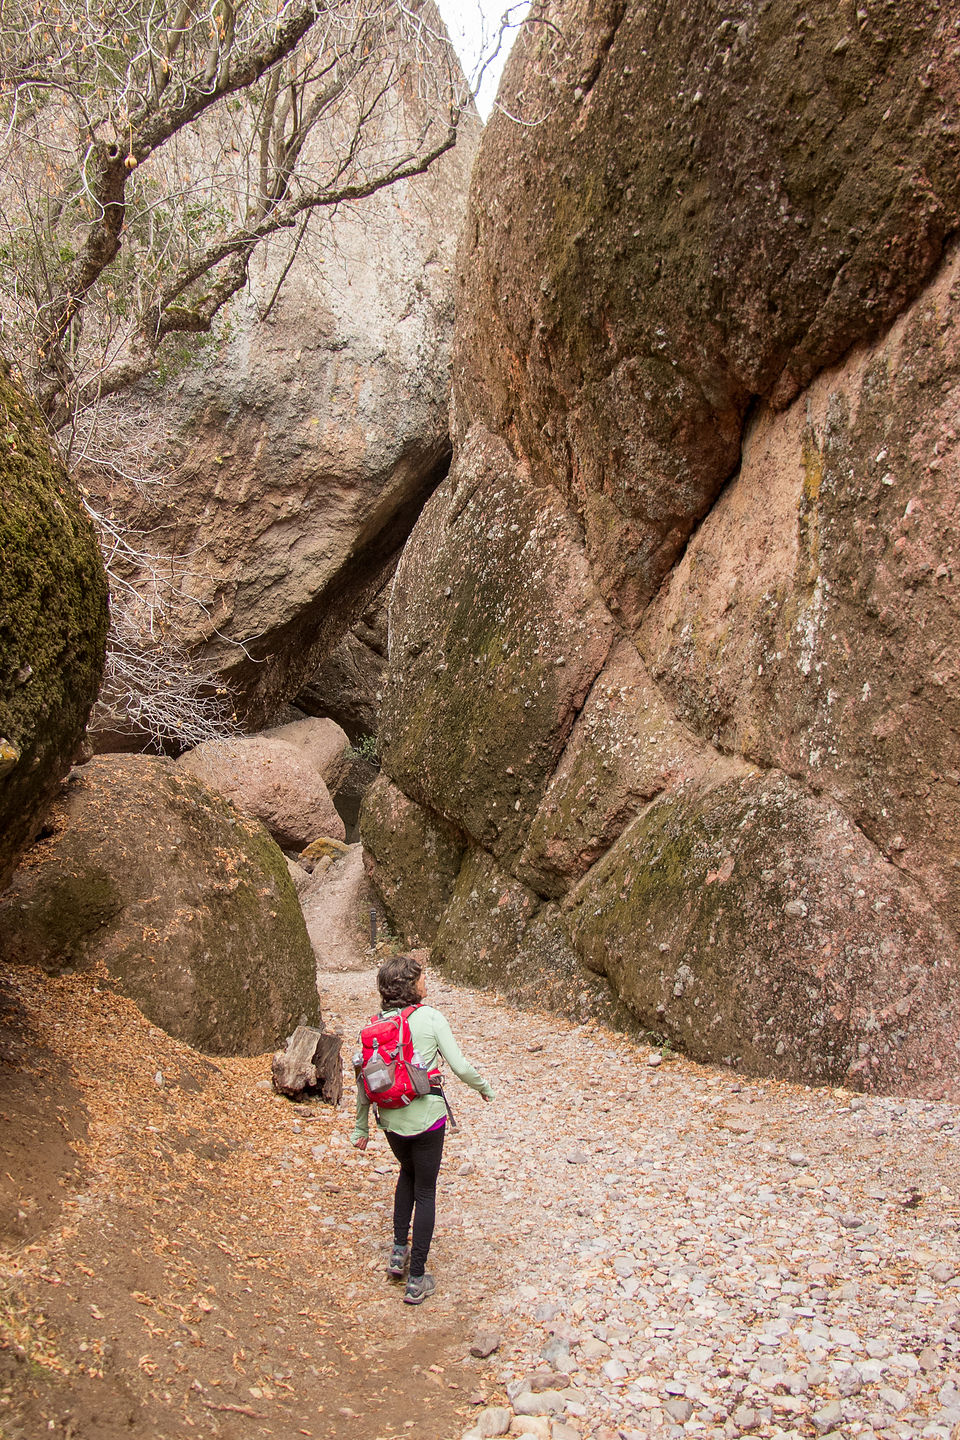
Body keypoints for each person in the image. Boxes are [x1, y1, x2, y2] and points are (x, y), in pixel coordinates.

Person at [351, 954, 494, 1305]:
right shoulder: (431, 1018)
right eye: (422, 978)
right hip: (427, 1117)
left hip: (390, 1121)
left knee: (407, 1174)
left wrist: (360, 1127)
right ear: (411, 986)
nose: (426, 982)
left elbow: (364, 1079)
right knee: (426, 1191)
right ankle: (417, 1279)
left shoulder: (377, 1026)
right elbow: (459, 1065)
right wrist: (484, 1087)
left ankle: (398, 1253)